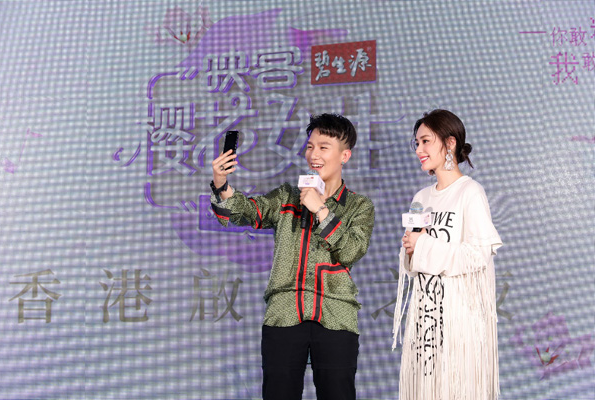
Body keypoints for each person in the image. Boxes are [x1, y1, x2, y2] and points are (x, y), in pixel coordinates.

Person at [210, 113, 375, 400]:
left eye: (323, 147)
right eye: (310, 147)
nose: (314, 155)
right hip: (284, 313)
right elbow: (247, 212)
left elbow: (352, 251)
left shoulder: (359, 206)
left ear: (344, 155)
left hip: (335, 315)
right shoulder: (288, 196)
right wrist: (221, 183)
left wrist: (321, 210)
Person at [392, 109, 502, 400]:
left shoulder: (470, 192)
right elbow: (413, 259)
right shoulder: (421, 198)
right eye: (417, 143)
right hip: (426, 319)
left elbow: (478, 255)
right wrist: (411, 248)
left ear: (450, 143)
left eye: (426, 141)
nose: (419, 150)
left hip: (459, 321)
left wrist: (424, 245)